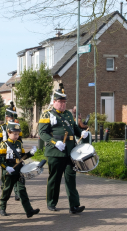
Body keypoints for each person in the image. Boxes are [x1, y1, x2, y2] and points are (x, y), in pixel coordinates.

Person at [37, 83, 89, 214]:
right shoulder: (47, 115)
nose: (63, 104)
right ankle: (51, 202)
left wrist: (82, 133)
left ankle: (74, 206)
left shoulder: (68, 114)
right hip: (55, 152)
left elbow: (74, 129)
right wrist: (54, 142)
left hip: (70, 152)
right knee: (55, 178)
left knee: (71, 177)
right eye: (60, 102)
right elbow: (42, 133)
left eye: (64, 102)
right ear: (54, 102)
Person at [0, 121, 40, 218]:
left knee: (22, 190)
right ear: (9, 133)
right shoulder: (4, 144)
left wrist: (31, 153)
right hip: (9, 172)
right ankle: (2, 207)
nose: (16, 136)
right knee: (7, 190)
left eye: (18, 134)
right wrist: (6, 167)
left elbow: (23, 157)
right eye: (14, 134)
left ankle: (29, 210)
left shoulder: (19, 143)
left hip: (19, 171)